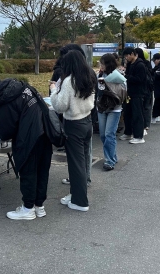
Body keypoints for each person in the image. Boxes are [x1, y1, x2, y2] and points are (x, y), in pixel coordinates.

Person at [0, 77, 52, 220]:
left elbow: (7, 131)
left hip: (29, 138)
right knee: (41, 171)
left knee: (29, 172)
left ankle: (28, 209)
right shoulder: (24, 88)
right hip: (45, 133)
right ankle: (39, 207)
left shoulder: (6, 99)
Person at [50, 50, 96, 212]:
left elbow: (60, 106)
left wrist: (54, 90)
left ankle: (80, 201)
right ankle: (76, 194)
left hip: (74, 125)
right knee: (82, 162)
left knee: (76, 165)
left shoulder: (69, 81)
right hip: (87, 121)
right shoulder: (89, 76)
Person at [96, 54, 127, 171]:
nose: (100, 65)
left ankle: (109, 161)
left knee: (109, 134)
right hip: (102, 107)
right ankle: (112, 156)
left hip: (114, 108)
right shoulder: (99, 74)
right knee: (103, 135)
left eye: (102, 63)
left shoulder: (118, 75)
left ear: (108, 64)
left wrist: (111, 86)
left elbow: (124, 90)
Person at [119, 47, 148, 143]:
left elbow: (140, 79)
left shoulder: (140, 65)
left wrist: (126, 77)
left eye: (127, 55)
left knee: (137, 115)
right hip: (130, 92)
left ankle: (139, 136)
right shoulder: (130, 64)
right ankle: (128, 133)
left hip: (138, 93)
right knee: (128, 114)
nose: (126, 58)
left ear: (132, 54)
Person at [134, 48, 153, 135]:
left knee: (144, 107)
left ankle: (145, 126)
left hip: (145, 89)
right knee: (145, 107)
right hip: (146, 89)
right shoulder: (146, 63)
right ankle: (145, 125)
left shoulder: (141, 64)